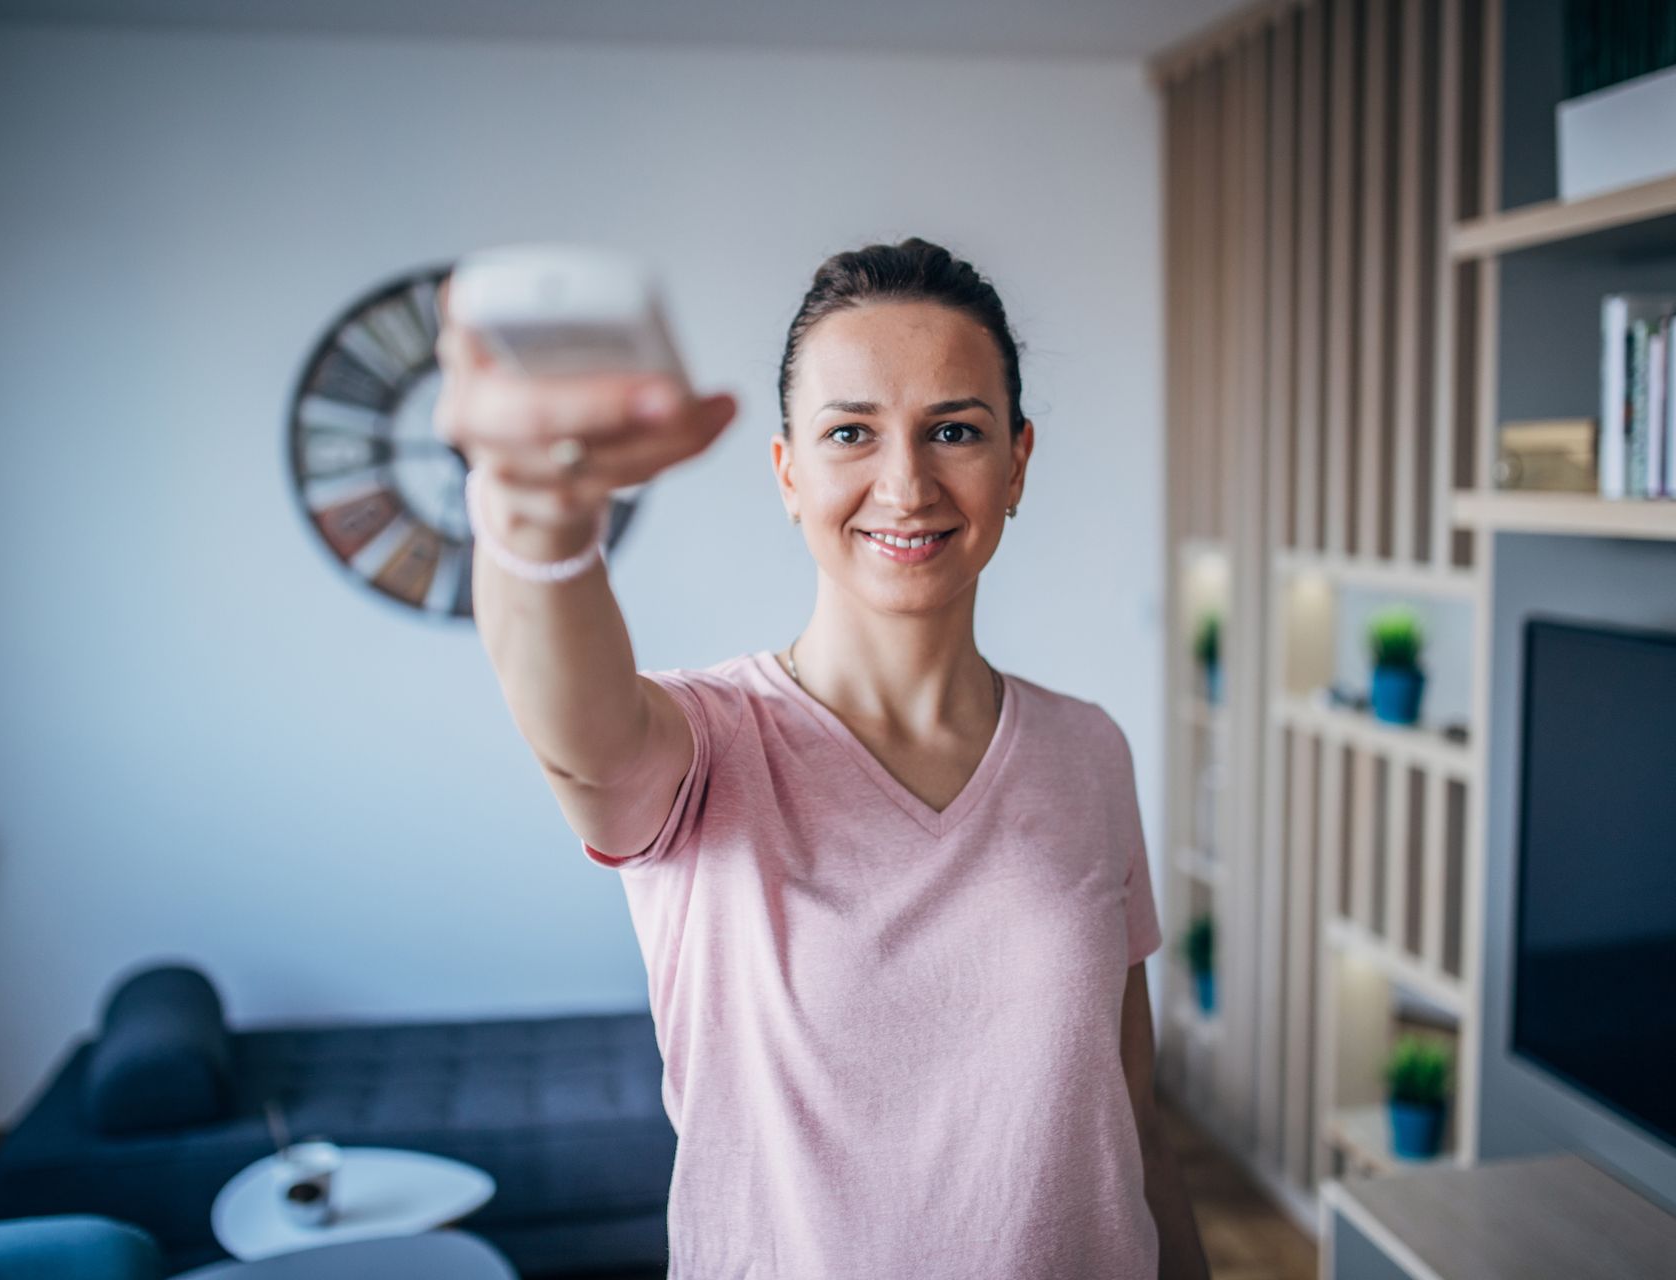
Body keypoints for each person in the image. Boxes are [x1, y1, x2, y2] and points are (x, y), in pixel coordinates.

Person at [433, 238, 1207, 1280]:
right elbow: (580, 741)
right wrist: (533, 520)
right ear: (789, 471)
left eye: (954, 429)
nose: (906, 481)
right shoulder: (705, 746)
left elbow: (1135, 1119)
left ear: (1016, 462)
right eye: (852, 431)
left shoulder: (1089, 748)